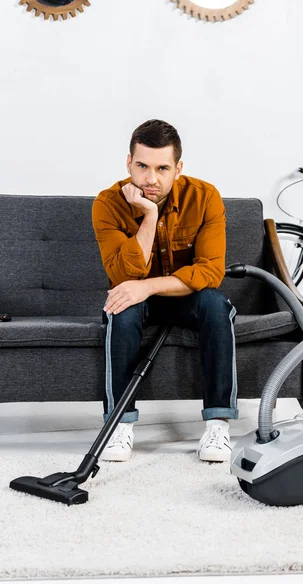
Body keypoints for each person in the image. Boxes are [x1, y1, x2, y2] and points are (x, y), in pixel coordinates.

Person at [92, 119, 238, 463]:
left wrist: (148, 287)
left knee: (217, 305)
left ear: (178, 168)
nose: (150, 179)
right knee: (120, 306)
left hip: (186, 299)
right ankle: (119, 424)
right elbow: (123, 274)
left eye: (162, 168)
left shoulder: (205, 197)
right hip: (134, 302)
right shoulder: (108, 204)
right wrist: (149, 214)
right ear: (128, 162)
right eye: (141, 166)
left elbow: (210, 272)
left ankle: (218, 424)